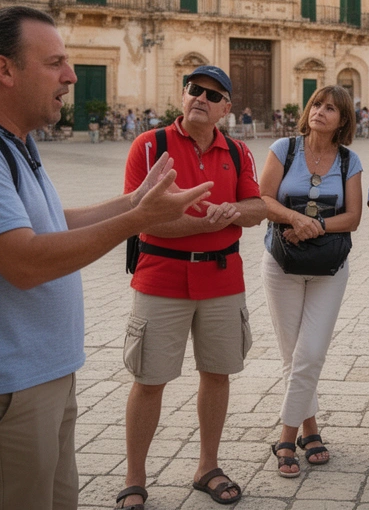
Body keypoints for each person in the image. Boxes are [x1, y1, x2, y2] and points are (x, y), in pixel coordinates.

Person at [0, 5, 212, 510]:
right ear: (4, 69)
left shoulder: (11, 142)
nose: (71, 75)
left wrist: (136, 200)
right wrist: (138, 221)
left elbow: (50, 224)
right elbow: (25, 261)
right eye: (55, 63)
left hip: (35, 380)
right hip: (0, 389)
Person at [119, 65, 268, 507]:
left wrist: (236, 212)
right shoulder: (150, 146)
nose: (200, 98)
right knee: (149, 379)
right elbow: (139, 216)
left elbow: (257, 206)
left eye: (212, 94)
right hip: (161, 278)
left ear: (226, 108)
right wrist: (213, 219)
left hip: (222, 279)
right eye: (194, 90)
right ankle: (134, 477)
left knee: (217, 374)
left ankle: (207, 465)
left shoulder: (239, 152)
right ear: (183, 97)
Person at [257, 85, 363, 477]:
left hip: (329, 268)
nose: (320, 111)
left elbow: (353, 217)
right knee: (293, 354)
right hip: (281, 263)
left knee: (310, 352)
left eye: (330, 108)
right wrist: (294, 218)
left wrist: (314, 225)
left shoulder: (349, 160)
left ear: (343, 119)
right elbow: (263, 198)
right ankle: (310, 430)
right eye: (316, 104)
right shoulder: (283, 149)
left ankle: (286, 436)